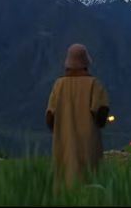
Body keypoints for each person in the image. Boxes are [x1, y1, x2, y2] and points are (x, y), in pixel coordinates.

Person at [46, 43, 110, 189]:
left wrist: (60, 131)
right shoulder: (94, 84)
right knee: (90, 180)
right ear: (86, 62)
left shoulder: (59, 85)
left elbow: (50, 116)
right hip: (88, 142)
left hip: (64, 141)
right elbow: (101, 112)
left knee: (64, 180)